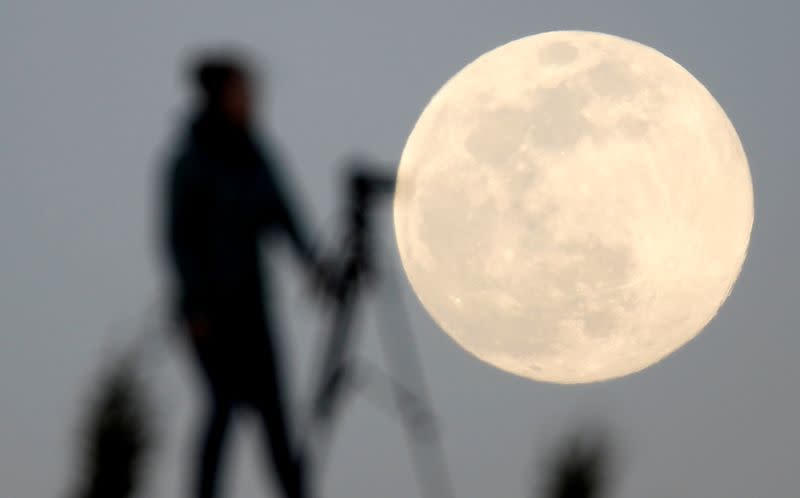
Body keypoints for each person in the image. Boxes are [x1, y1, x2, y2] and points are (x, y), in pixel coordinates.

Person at [163, 50, 326, 498]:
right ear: (218, 96)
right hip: (212, 313)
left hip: (254, 308)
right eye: (242, 91)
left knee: (276, 417)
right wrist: (196, 305)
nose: (251, 100)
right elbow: (178, 240)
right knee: (224, 405)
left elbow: (283, 215)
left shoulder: (255, 155)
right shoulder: (191, 161)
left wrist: (314, 266)